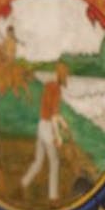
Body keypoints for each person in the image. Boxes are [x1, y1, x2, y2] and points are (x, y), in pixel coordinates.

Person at [20, 60, 70, 202]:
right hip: (48, 127)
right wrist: (58, 136)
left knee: (38, 160)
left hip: (41, 125)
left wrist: (63, 123)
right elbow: (53, 115)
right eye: (65, 74)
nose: (66, 77)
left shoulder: (49, 85)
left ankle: (24, 183)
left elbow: (52, 112)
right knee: (54, 161)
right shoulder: (57, 89)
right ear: (62, 75)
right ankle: (53, 196)